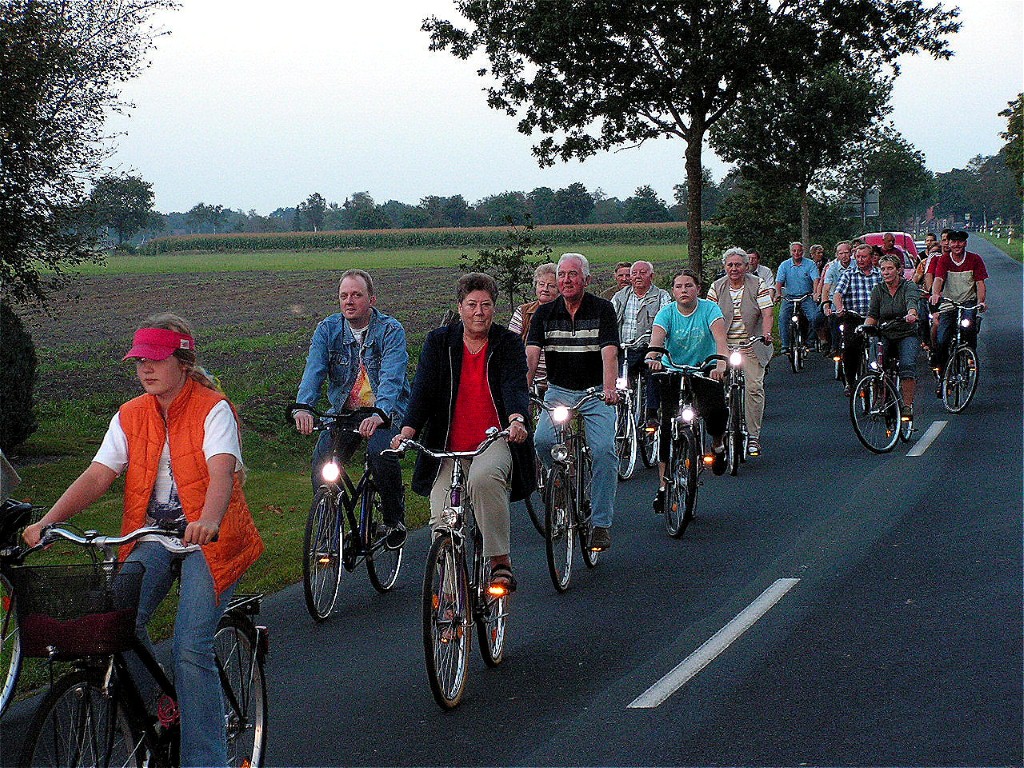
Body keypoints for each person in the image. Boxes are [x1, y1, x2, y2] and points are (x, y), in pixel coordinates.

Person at [23, 314, 264, 768]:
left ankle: (205, 760)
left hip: (210, 541)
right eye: (139, 361)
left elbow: (221, 474)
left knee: (190, 646)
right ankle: (162, 705)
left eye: (155, 359)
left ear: (184, 362)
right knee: (116, 624)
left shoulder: (213, 409)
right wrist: (49, 521)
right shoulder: (131, 414)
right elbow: (98, 475)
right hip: (152, 537)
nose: (145, 369)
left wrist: (208, 520)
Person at [393, 273, 533, 593]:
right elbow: (422, 391)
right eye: (472, 305)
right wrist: (407, 432)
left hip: (493, 439)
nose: (479, 312)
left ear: (494, 308)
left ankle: (499, 561)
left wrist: (516, 421)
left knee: (484, 479)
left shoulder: (507, 343)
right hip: (448, 446)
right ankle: (450, 596)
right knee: (442, 520)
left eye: (486, 305)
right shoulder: (439, 342)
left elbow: (514, 386)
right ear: (460, 308)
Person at [293, 270, 411, 549]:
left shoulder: (390, 330)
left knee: (381, 454)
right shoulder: (327, 330)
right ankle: (328, 530)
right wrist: (303, 407)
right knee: (323, 462)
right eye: (344, 295)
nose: (349, 301)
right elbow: (314, 370)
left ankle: (394, 519)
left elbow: (392, 377)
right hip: (346, 412)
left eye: (357, 295)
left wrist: (380, 413)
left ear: (371, 299)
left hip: (386, 411)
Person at [527, 253, 620, 552]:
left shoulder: (603, 309)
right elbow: (531, 356)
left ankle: (601, 523)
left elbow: (609, 353)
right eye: (561, 275)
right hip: (559, 391)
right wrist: (522, 391)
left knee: (604, 450)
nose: (566, 280)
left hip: (595, 392)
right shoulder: (544, 313)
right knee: (542, 440)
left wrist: (609, 389)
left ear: (586, 280)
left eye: (573, 274)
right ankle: (559, 486)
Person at [646, 269, 729, 513]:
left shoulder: (710, 310)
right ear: (673, 291)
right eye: (679, 286)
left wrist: (720, 363)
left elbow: (720, 339)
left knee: (715, 411)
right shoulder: (667, 313)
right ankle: (663, 486)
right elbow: (656, 341)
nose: (684, 290)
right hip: (674, 369)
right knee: (666, 424)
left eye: (689, 286)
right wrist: (653, 357)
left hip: (704, 368)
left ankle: (718, 445)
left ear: (698, 289)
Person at [706, 248, 774, 457]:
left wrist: (766, 334)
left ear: (746, 266)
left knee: (754, 387)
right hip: (724, 346)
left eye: (738, 265)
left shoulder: (757, 284)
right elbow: (708, 313)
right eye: (730, 265)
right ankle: (720, 431)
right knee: (715, 387)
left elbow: (767, 312)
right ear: (724, 267)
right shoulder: (717, 286)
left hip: (751, 344)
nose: (734, 269)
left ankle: (753, 436)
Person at [610, 260, 671, 423]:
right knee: (617, 375)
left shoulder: (661, 296)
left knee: (654, 373)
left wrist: (656, 347)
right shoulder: (620, 297)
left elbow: (666, 321)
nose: (638, 277)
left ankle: (652, 413)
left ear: (651, 276)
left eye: (642, 273)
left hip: (650, 349)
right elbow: (610, 321)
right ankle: (617, 413)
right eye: (634, 273)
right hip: (625, 349)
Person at [865, 254, 922, 420]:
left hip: (906, 332)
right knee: (875, 366)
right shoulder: (878, 289)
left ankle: (907, 405)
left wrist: (911, 314)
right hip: (885, 333)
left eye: (890, 268)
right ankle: (879, 398)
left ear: (899, 270)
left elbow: (912, 302)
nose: (886, 272)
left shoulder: (908, 286)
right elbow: (873, 314)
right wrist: (865, 327)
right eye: (883, 269)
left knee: (907, 365)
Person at [929, 230, 988, 377]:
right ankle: (943, 372)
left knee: (968, 327)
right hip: (949, 303)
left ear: (965, 243)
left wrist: (981, 302)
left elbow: (980, 283)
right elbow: (938, 279)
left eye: (960, 241)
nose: (957, 245)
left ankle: (970, 357)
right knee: (942, 339)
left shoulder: (975, 259)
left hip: (968, 302)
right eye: (954, 242)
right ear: (949, 244)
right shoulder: (944, 260)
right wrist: (935, 293)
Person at [833, 244, 882, 395]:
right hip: (854, 318)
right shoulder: (849, 274)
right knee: (850, 347)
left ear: (871, 257)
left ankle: (881, 379)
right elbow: (838, 294)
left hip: (875, 318)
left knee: (882, 346)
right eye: (858, 257)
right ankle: (850, 381)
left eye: (864, 257)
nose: (860, 260)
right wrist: (839, 308)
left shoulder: (879, 274)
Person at [508, 262, 558, 387]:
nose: (545, 289)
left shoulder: (566, 314)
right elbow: (511, 346)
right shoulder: (523, 312)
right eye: (541, 284)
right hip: (527, 379)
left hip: (557, 384)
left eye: (551, 286)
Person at [774, 241, 821, 354]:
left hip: (806, 296)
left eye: (799, 251)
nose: (796, 253)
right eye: (794, 251)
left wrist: (815, 293)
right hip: (789, 297)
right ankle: (785, 344)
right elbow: (779, 282)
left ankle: (810, 341)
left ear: (803, 252)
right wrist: (778, 294)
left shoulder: (810, 264)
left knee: (814, 317)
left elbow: (815, 279)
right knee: (782, 317)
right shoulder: (784, 265)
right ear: (790, 252)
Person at [821, 241, 854, 355]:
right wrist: (826, 306)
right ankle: (833, 346)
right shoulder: (832, 268)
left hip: (852, 300)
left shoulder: (857, 265)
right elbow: (826, 288)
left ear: (851, 253)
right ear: (836, 255)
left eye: (846, 252)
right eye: (841, 253)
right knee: (823, 319)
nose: (844, 256)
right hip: (834, 300)